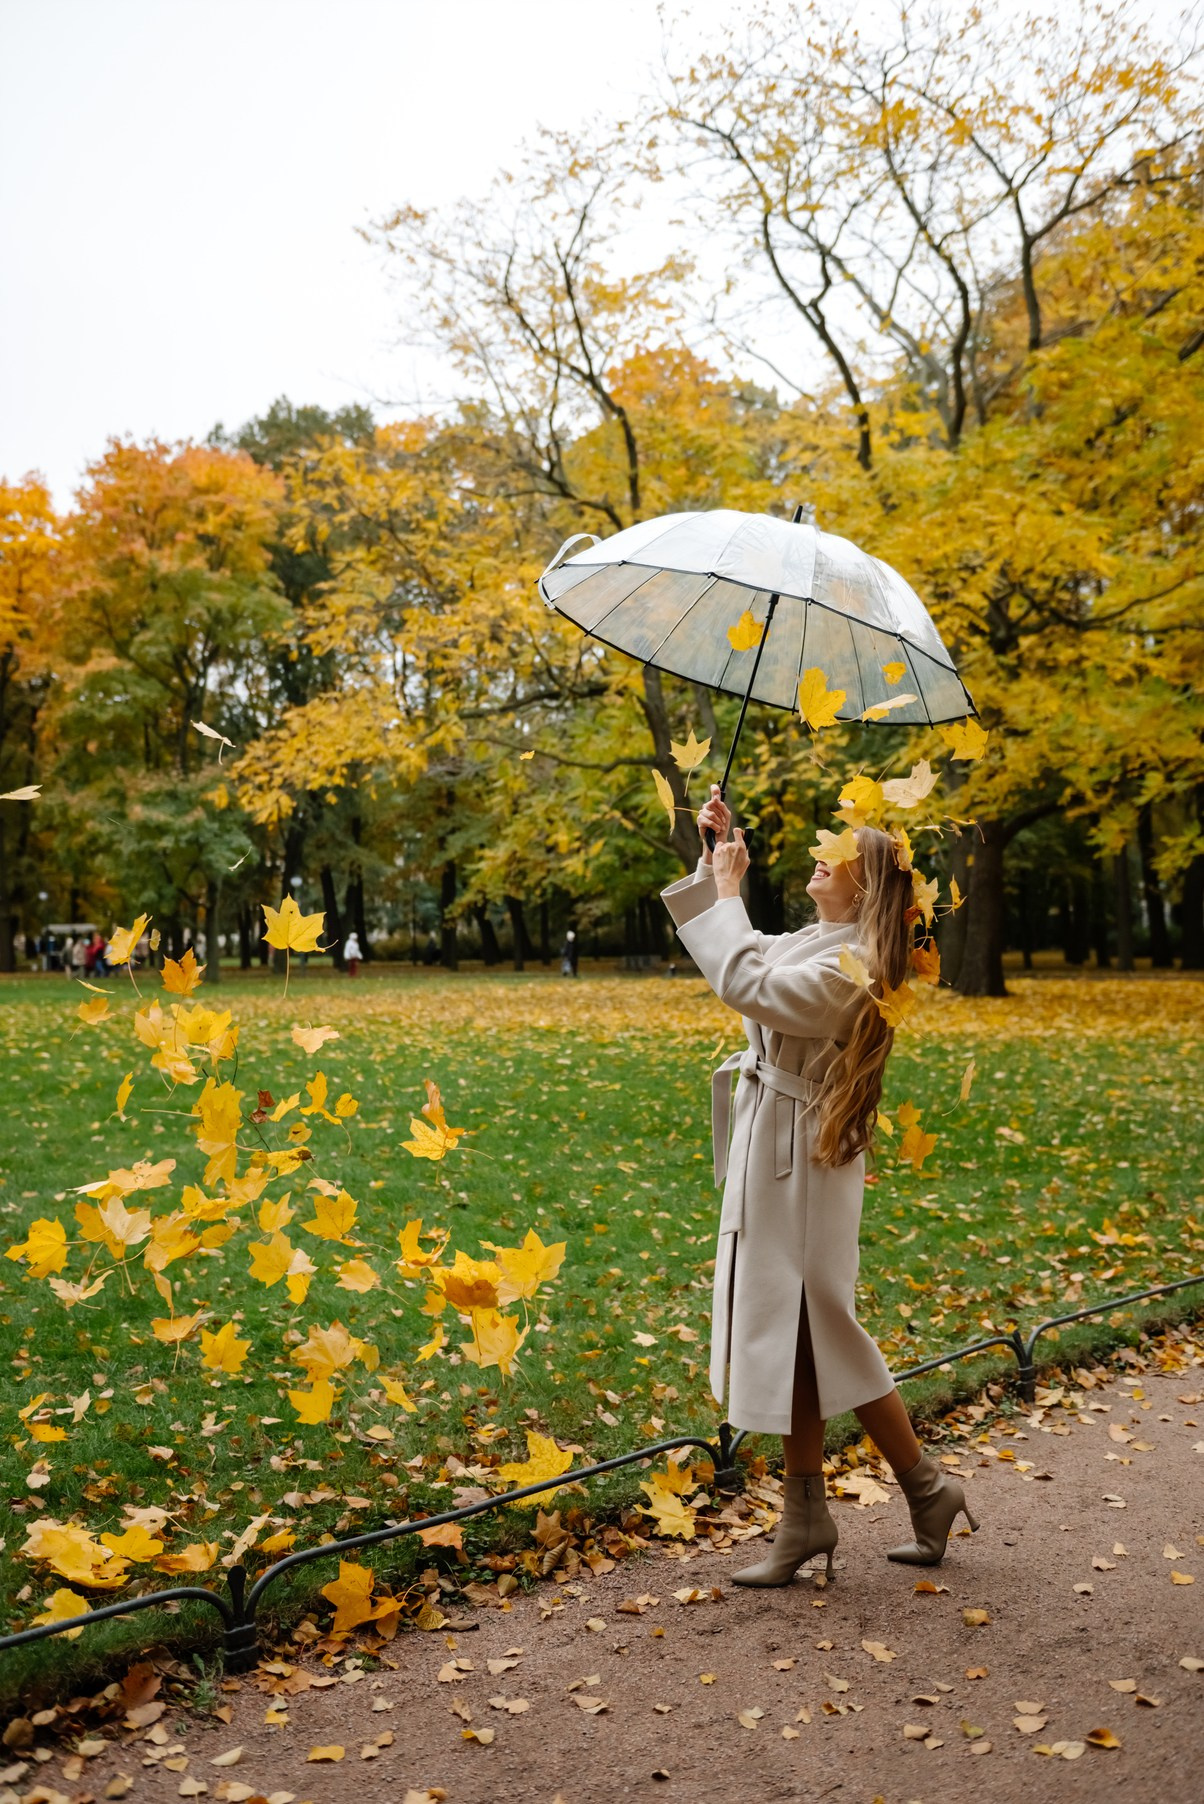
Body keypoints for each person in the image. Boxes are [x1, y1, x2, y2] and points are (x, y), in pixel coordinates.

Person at [660, 783, 980, 1585]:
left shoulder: (863, 966)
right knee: (797, 1329)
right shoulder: (825, 938)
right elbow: (755, 952)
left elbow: (745, 983)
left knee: (819, 1324)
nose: (816, 856)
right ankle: (813, 1518)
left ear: (865, 883)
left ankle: (922, 1488)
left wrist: (727, 893)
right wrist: (714, 862)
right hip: (778, 1142)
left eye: (833, 856)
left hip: (803, 1157)